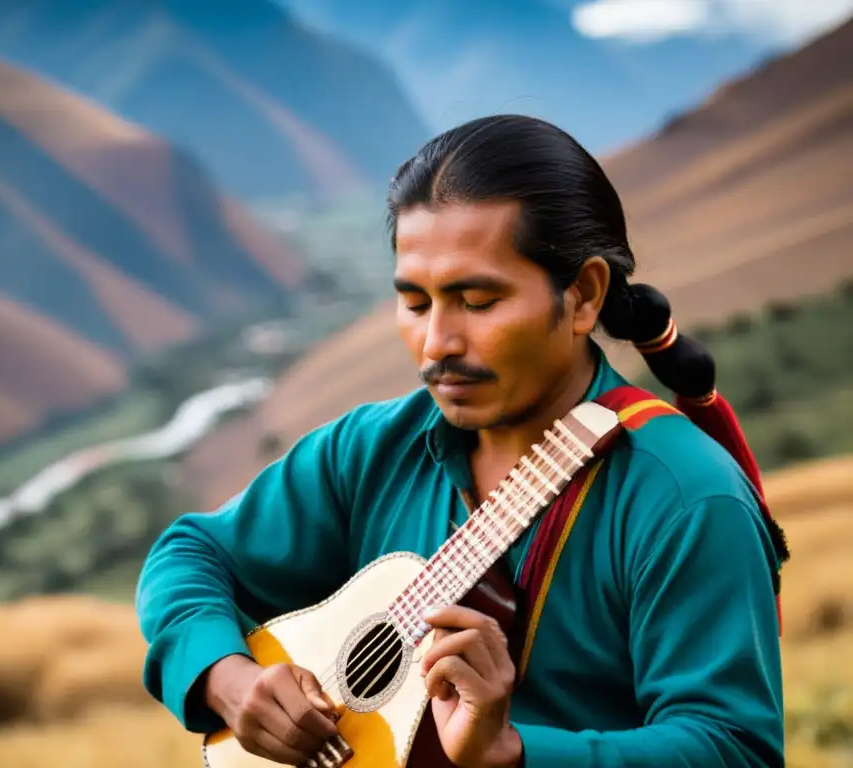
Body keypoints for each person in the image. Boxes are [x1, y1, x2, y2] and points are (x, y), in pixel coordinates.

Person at [135, 115, 788, 767]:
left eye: (476, 301)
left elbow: (735, 749)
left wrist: (513, 754)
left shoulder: (687, 497)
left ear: (583, 295)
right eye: (416, 304)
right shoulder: (370, 450)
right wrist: (227, 679)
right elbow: (189, 554)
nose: (437, 344)